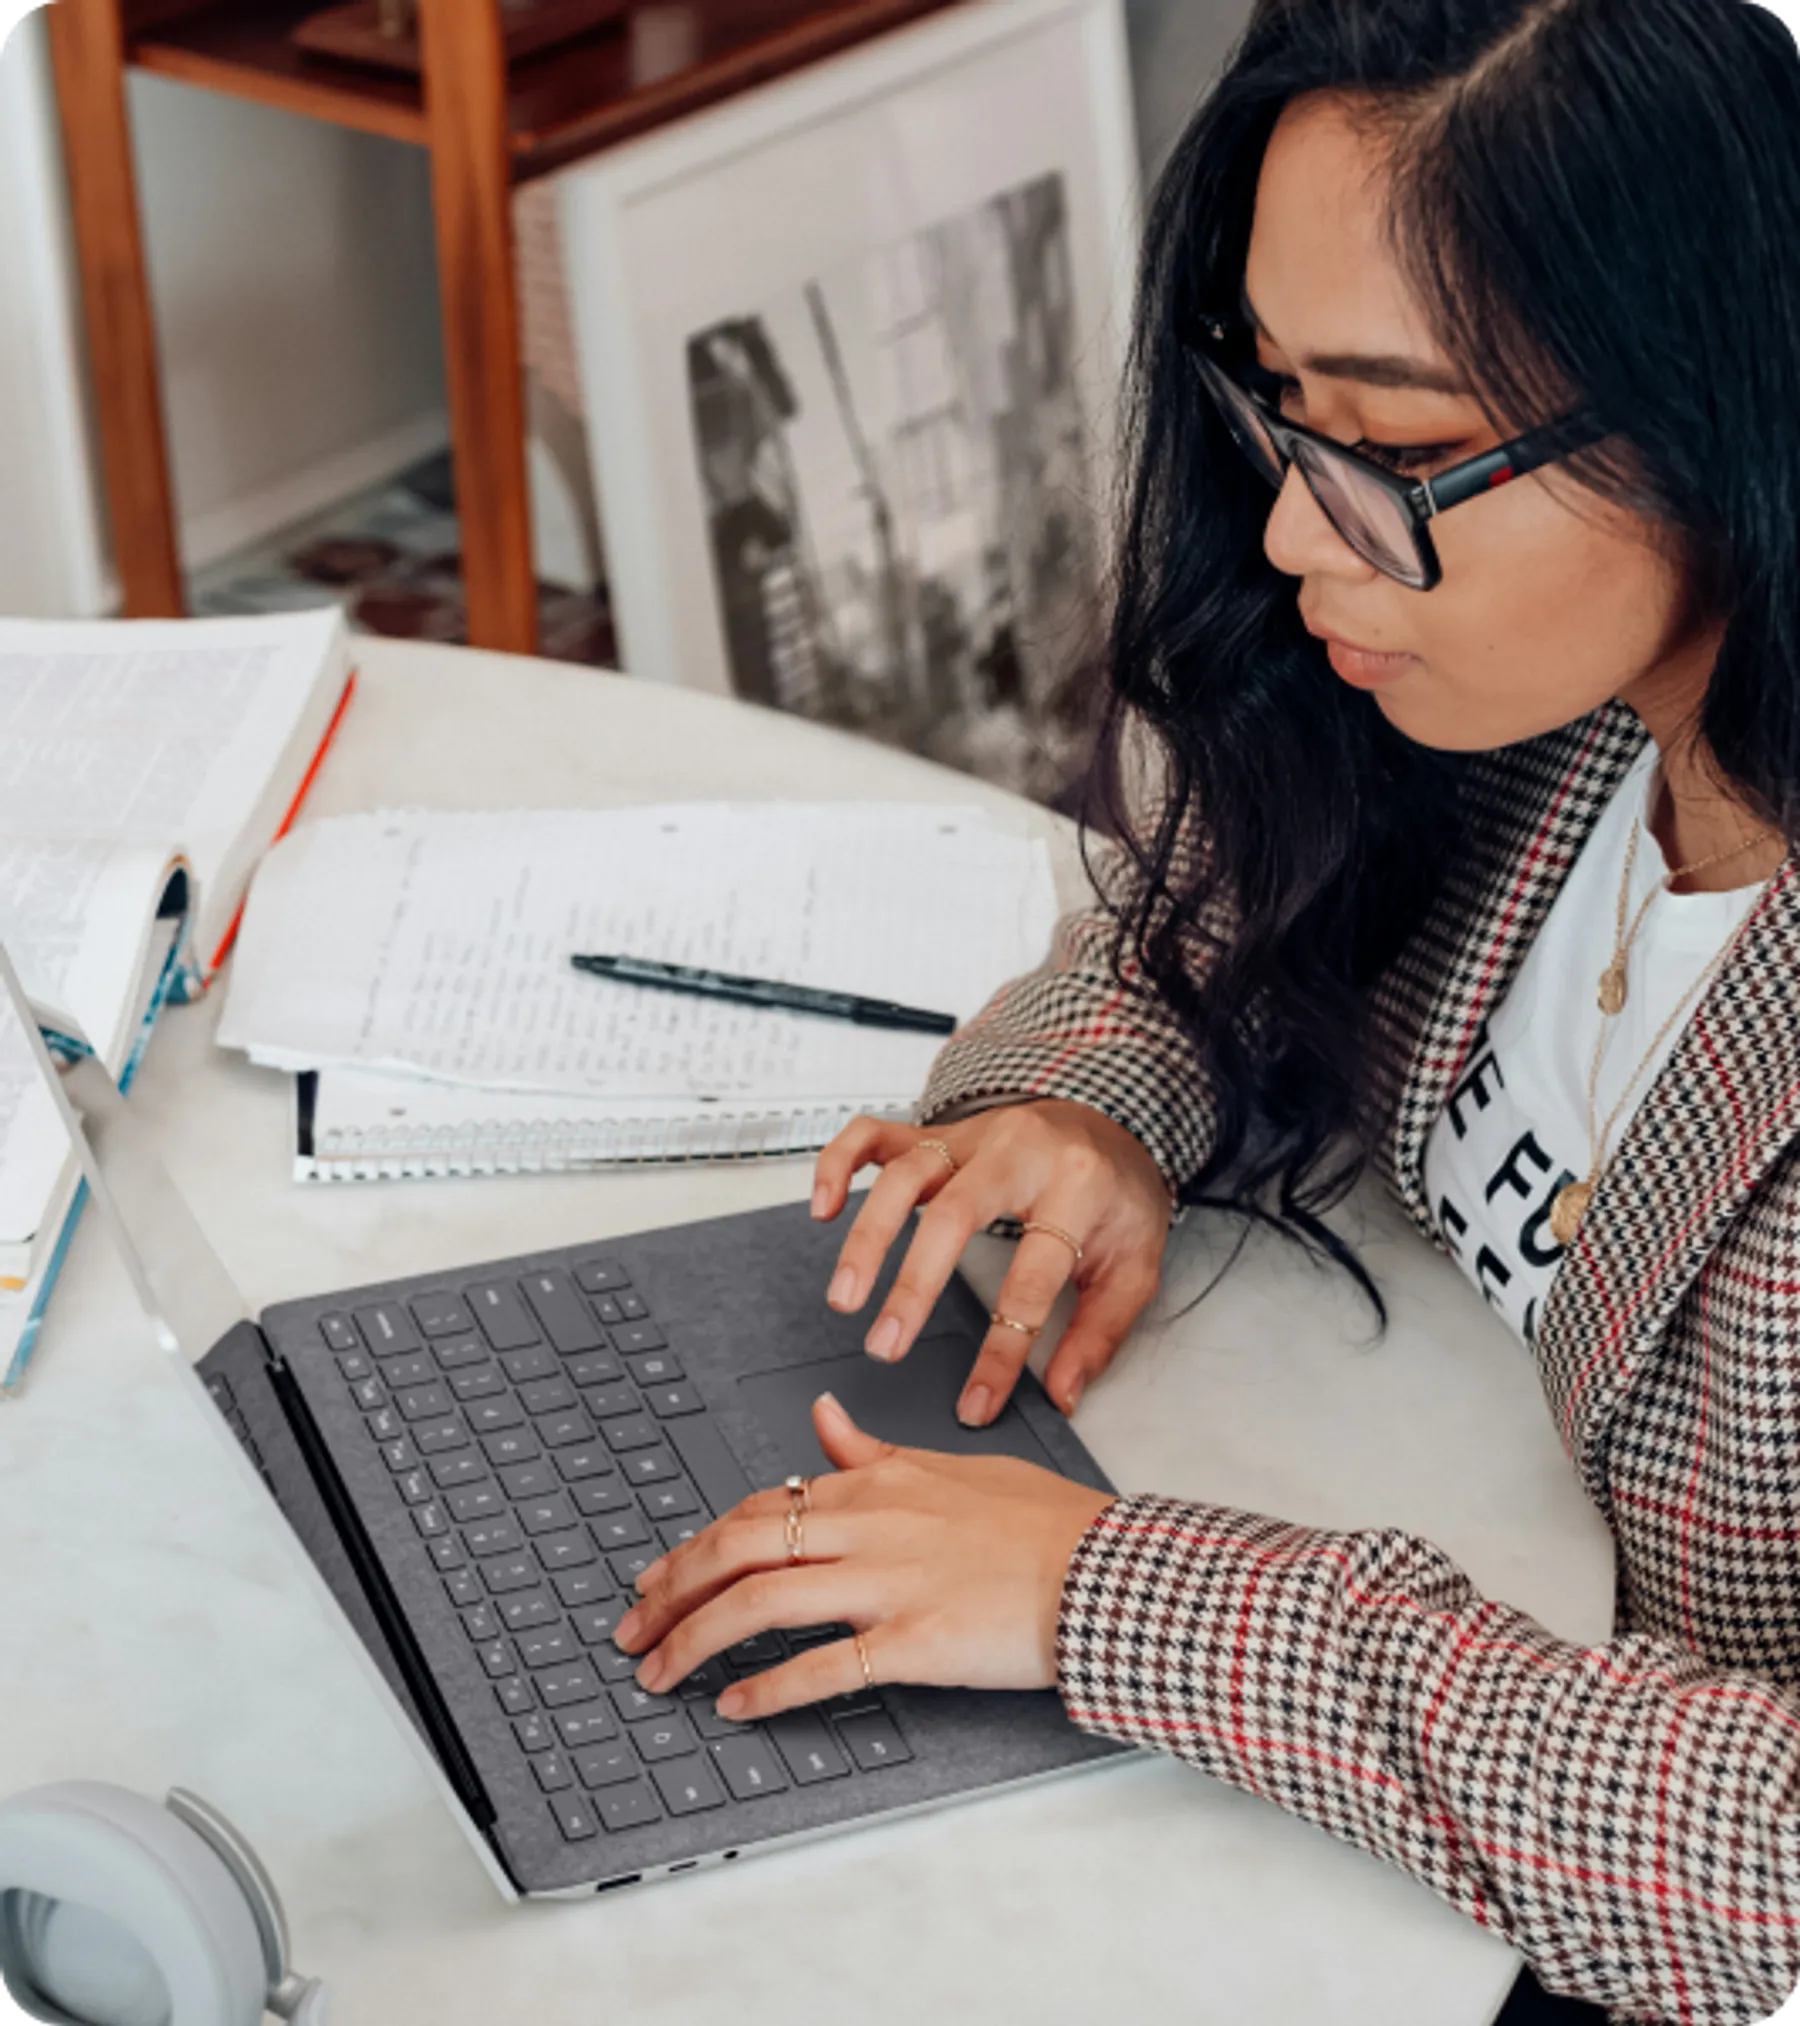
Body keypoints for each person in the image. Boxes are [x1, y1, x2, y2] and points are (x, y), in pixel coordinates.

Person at [615, 2, 1800, 2017]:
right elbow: (1248, 902)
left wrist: (1110, 1592)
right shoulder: (1564, 701)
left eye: (1402, 447)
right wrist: (1087, 1114)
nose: (1284, 525)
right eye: (1280, 401)